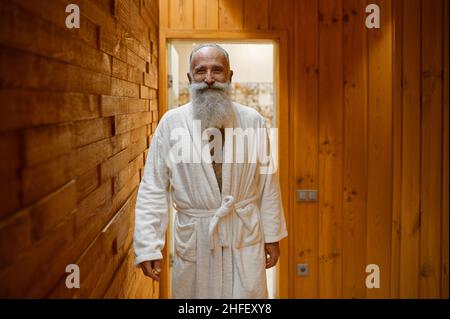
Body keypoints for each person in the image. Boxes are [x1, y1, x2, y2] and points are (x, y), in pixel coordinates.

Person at [133, 43, 288, 298]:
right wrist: (149, 245)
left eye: (217, 70)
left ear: (229, 76)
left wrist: (271, 236)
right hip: (196, 238)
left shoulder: (253, 121)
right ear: (189, 78)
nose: (208, 78)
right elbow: (153, 186)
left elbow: (268, 183)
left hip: (242, 234)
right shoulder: (172, 124)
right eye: (200, 70)